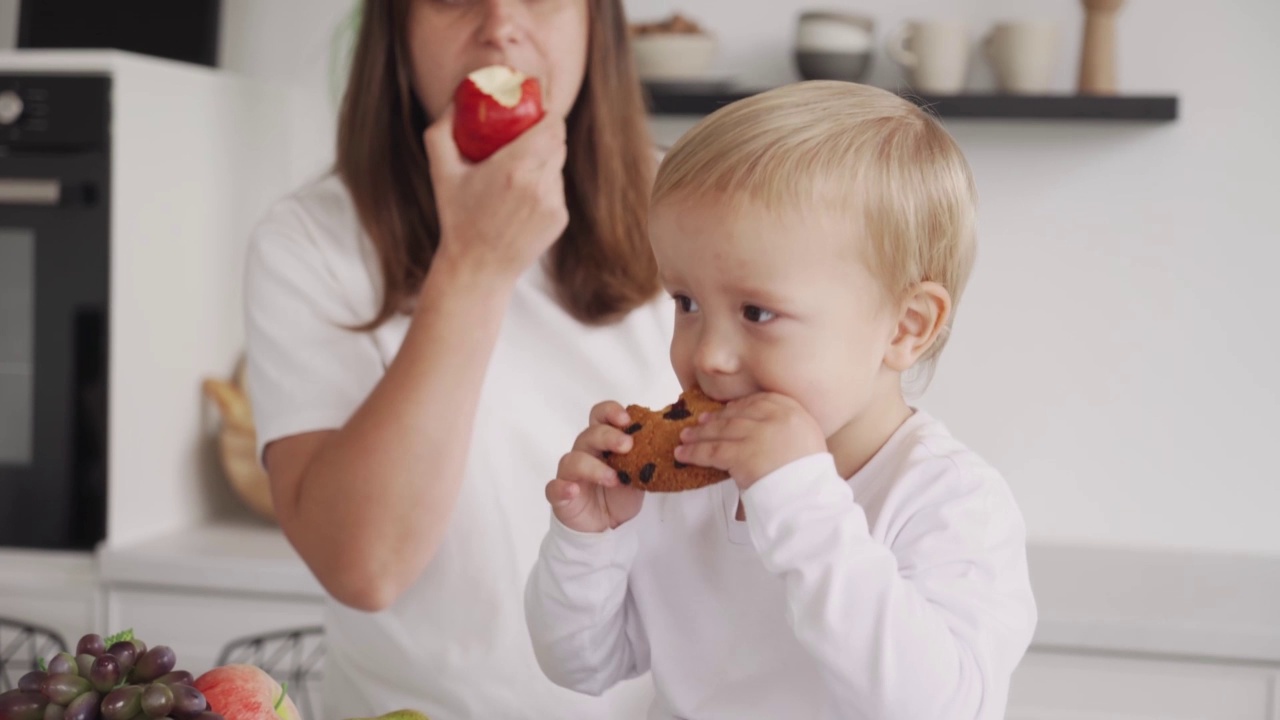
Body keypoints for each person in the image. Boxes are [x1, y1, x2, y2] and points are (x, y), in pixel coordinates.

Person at [525, 81, 1039, 720]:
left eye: (757, 311)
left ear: (905, 326)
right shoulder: (686, 481)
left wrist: (798, 496)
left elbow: (936, 706)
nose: (708, 354)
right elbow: (579, 664)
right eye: (686, 302)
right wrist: (591, 541)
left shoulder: (950, 502)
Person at [242, 0, 677, 717]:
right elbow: (365, 567)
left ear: (595, 25)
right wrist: (474, 265)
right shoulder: (308, 241)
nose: (500, 24)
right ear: (396, 29)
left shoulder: (689, 211)